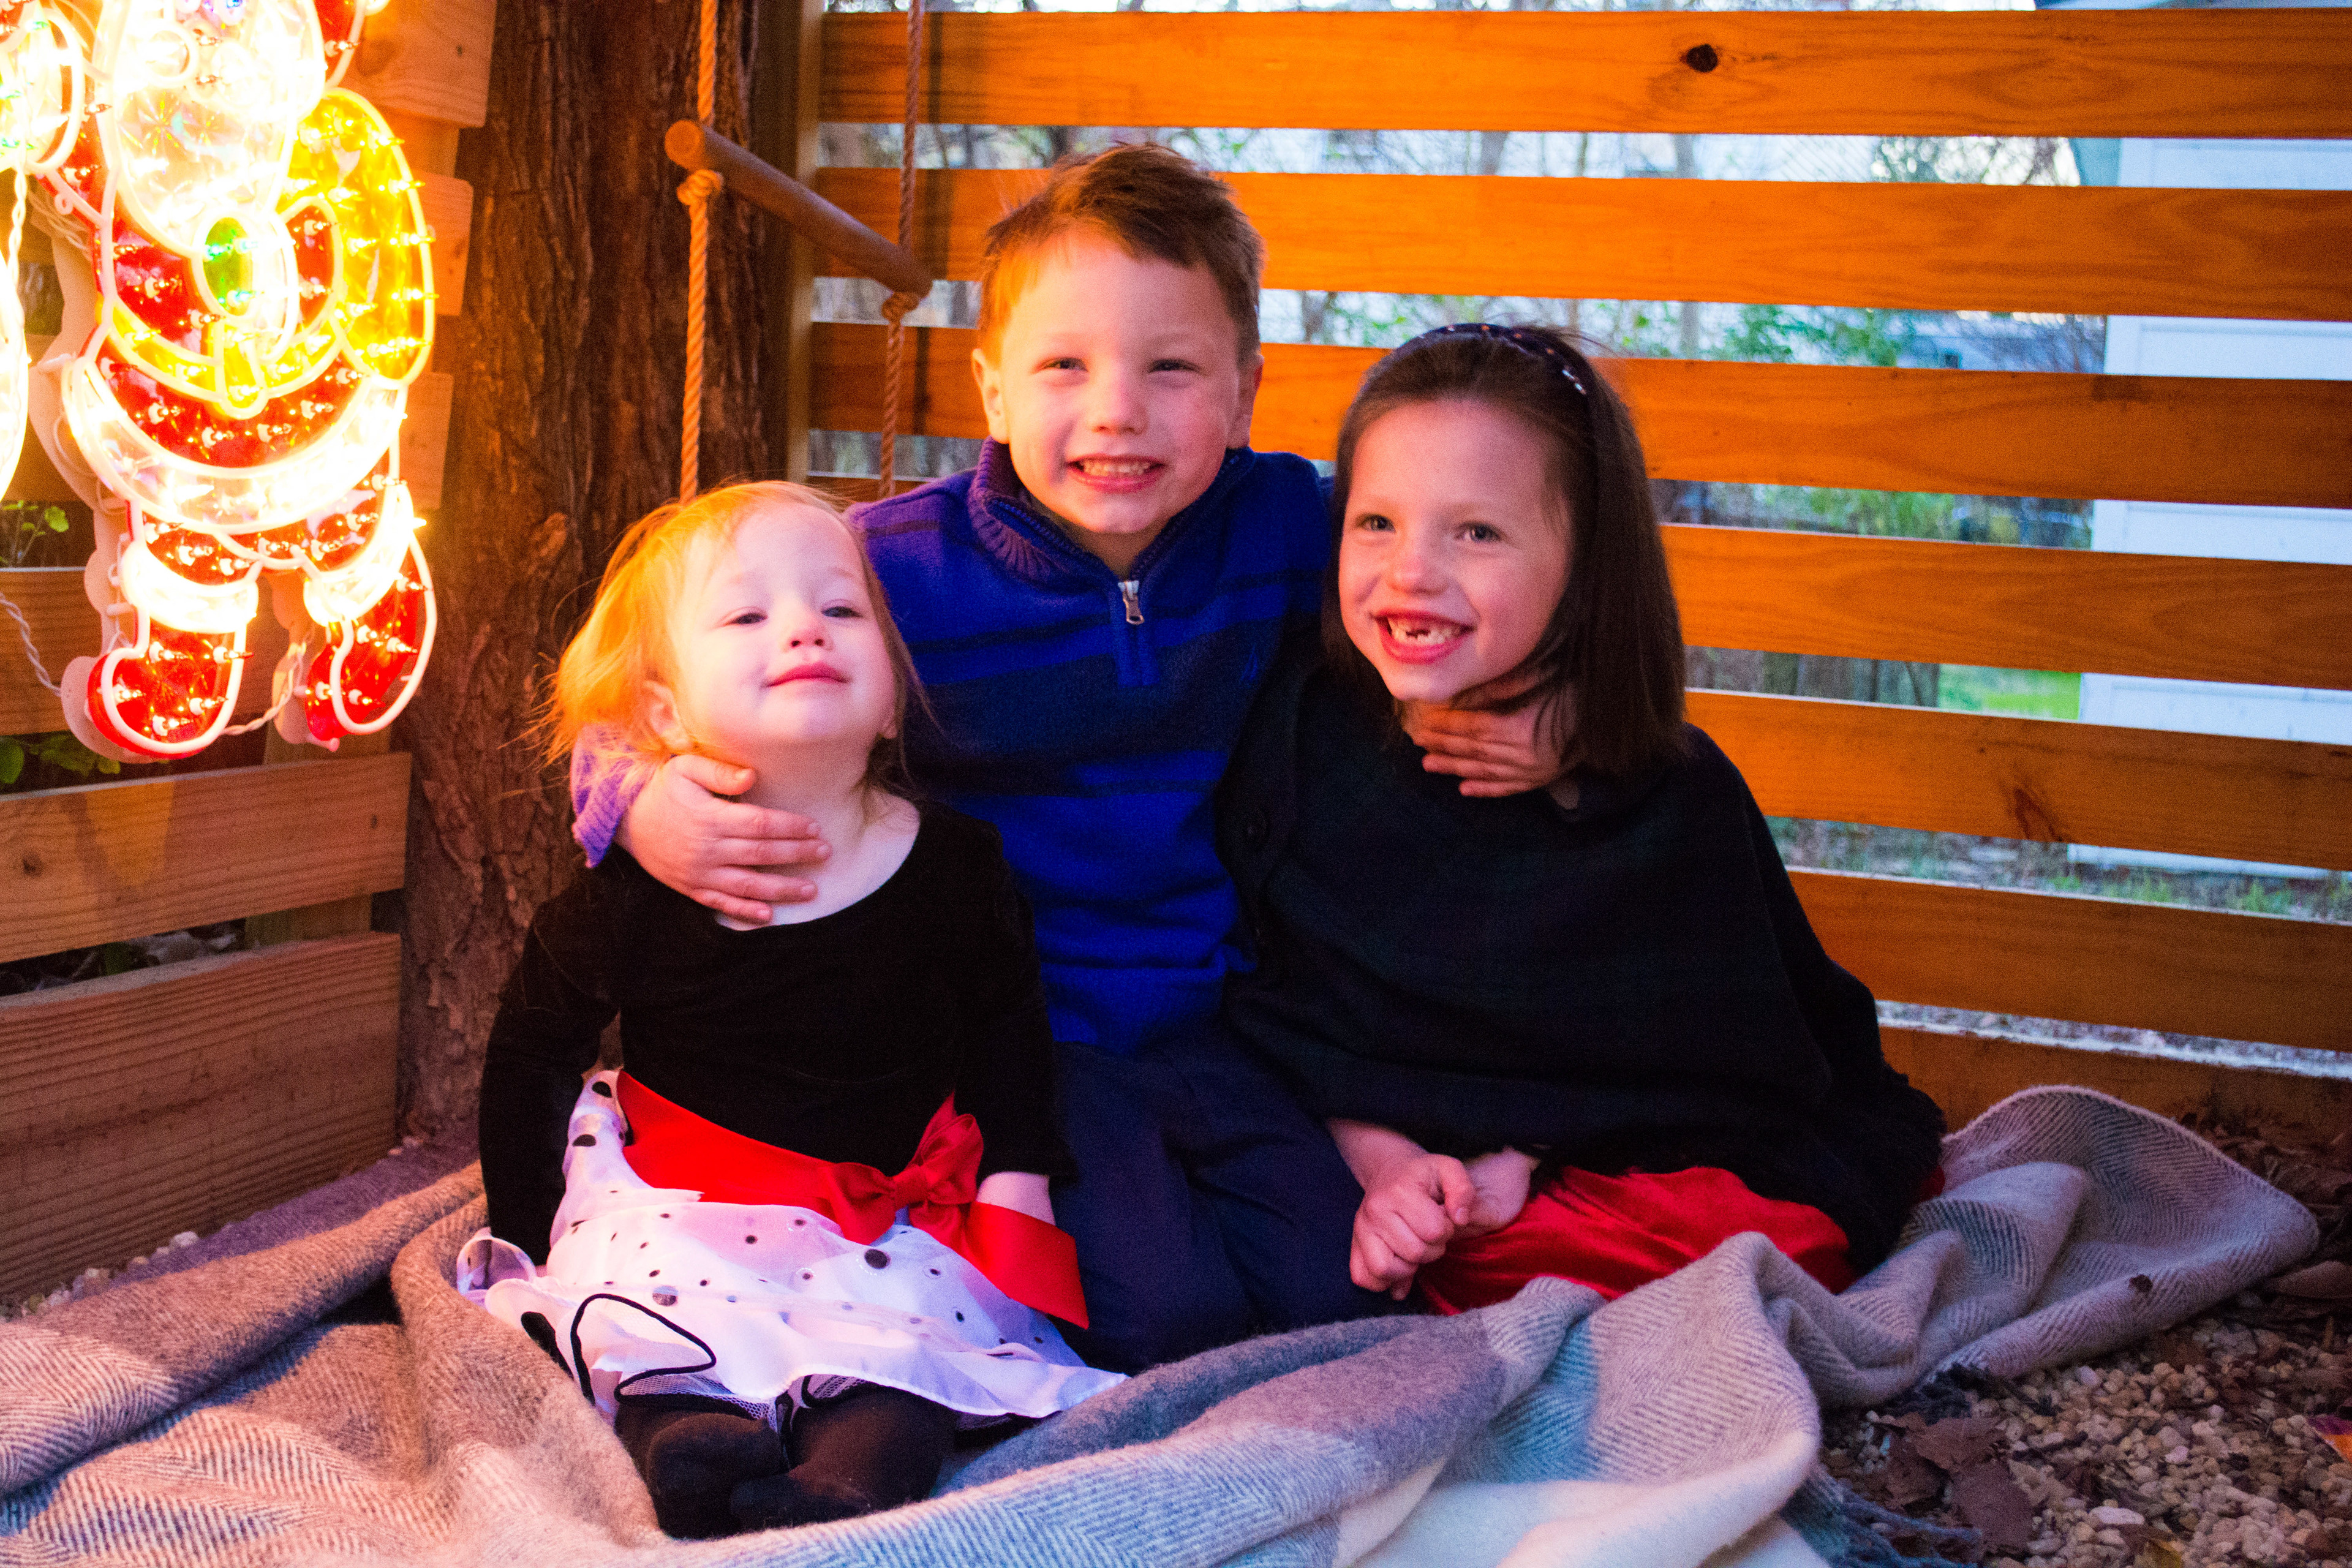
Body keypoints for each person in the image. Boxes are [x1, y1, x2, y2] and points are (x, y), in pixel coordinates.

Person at [568, 148, 1565, 1370]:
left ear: (1246, 390)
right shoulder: (888, 567)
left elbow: (1444, 591)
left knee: (1341, 1294)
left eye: (1171, 368)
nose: (1116, 411)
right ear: (991, 389)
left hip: (1230, 1012)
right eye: (1064, 367)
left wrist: (1549, 705)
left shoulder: (1288, 529)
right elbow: (642, 691)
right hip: (1017, 1033)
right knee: (1160, 1316)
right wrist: (636, 799)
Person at [1216, 323, 1948, 1314]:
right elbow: (1284, 1018)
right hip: (1371, 1157)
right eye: (1376, 521)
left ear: (1584, 561)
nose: (1412, 571)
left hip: (1601, 1161)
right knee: (1280, 1239)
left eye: (1477, 533)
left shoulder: (1668, 788)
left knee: (1774, 1237)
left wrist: (1530, 1145)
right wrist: (1389, 1160)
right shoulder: (1308, 736)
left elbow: (1735, 1060)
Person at [462, 482, 1122, 1540]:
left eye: (841, 609)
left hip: (887, 1225)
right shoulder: (635, 898)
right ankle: (687, 1441)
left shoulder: (956, 866)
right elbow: (534, 1051)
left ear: (892, 701)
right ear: (665, 715)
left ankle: (848, 1482)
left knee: (904, 1363)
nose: (804, 628)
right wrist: (528, 1226)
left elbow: (1007, 1028)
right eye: (745, 615)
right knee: (654, 1331)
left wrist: (1018, 1174)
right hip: (685, 1211)